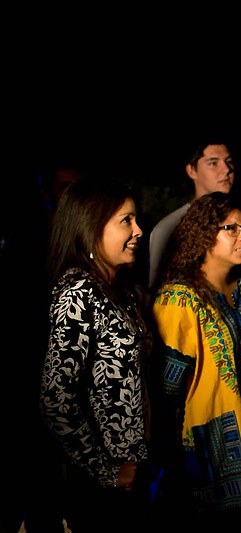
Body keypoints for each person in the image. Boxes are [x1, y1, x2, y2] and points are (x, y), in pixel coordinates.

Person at [151, 192, 241, 529]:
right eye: (230, 228)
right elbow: (165, 394)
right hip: (203, 455)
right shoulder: (177, 299)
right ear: (203, 235)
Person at [39, 177, 150, 533]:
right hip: (104, 487)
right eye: (126, 220)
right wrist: (108, 471)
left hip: (140, 471)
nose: (138, 230)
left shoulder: (120, 288)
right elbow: (55, 400)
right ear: (91, 226)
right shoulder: (78, 293)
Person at [148, 139, 241, 288]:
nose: (226, 170)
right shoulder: (167, 228)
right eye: (213, 163)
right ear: (192, 171)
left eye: (229, 162)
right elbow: (156, 288)